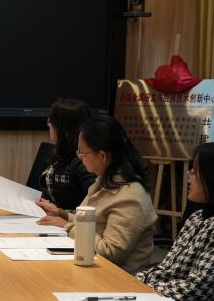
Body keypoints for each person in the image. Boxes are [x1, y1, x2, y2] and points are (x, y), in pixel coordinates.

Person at [136, 139, 214, 301]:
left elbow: (197, 289)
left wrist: (143, 290)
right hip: (165, 300)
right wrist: (135, 282)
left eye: (194, 173)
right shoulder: (199, 216)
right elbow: (168, 269)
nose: (189, 178)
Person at [38, 115, 156, 273]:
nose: (80, 158)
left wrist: (66, 226)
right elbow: (90, 223)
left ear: (102, 156)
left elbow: (109, 252)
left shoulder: (131, 197)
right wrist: (62, 214)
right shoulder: (106, 180)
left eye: (83, 153)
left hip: (118, 277)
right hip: (92, 266)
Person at [35, 98, 97, 217]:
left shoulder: (84, 162)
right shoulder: (59, 153)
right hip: (51, 219)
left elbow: (94, 209)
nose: (49, 124)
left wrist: (61, 214)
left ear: (65, 128)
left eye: (52, 120)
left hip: (71, 224)